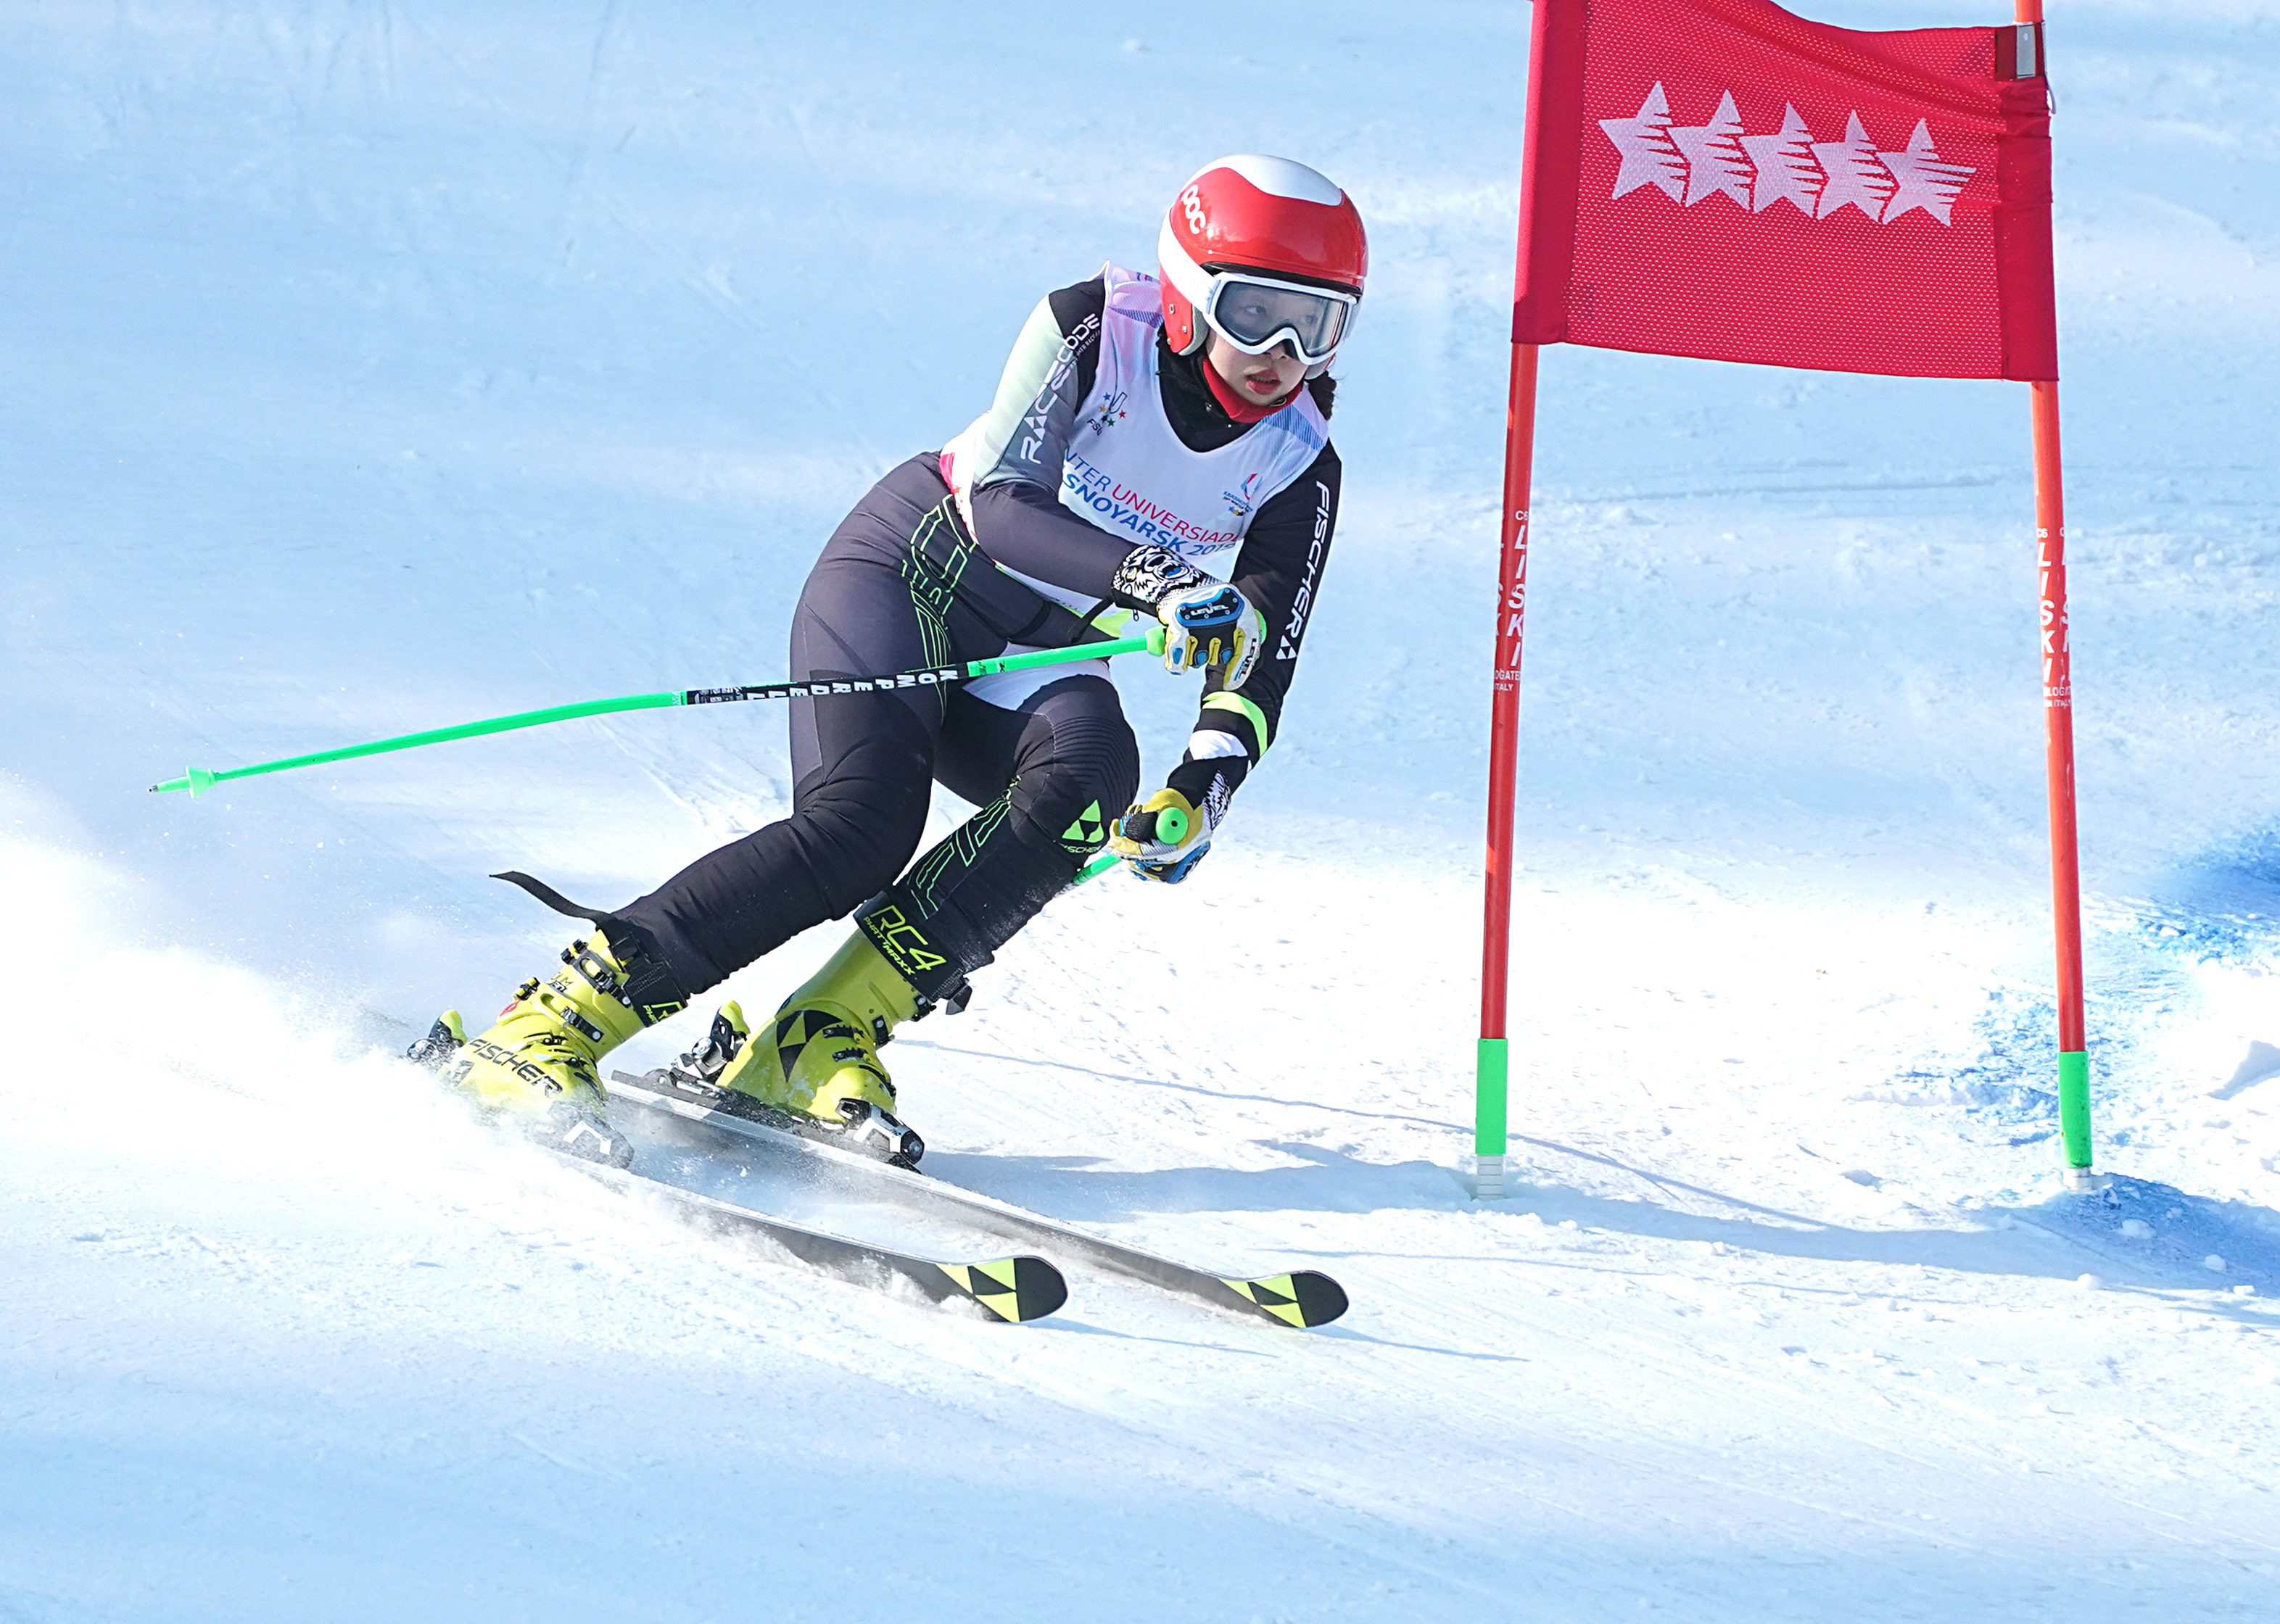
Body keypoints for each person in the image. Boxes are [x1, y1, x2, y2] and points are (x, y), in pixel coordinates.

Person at [412, 154, 1365, 1168]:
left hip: (1035, 647)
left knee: (1092, 785)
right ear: (1183, 293)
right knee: (859, 828)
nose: (1280, 351)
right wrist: (1162, 581)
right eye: (1254, 309)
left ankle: (815, 1040)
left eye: (1319, 324)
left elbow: (1263, 652)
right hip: (912, 570)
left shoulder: (1300, 461)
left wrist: (1206, 782)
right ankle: (554, 1022)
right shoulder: (1093, 327)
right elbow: (1000, 504)